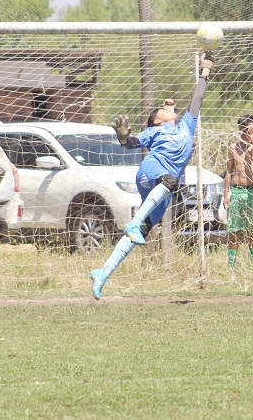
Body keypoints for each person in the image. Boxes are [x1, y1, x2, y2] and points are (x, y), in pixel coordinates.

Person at [90, 52, 215, 300]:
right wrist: (123, 135)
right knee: (167, 184)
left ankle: (102, 274)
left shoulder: (186, 124)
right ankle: (135, 222)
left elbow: (198, 97)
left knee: (142, 233)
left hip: (160, 192)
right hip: (152, 172)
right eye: (163, 108)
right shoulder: (154, 132)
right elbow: (131, 143)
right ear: (157, 120)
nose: (169, 107)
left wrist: (205, 71)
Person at [224, 115, 253, 265]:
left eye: (250, 129)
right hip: (237, 191)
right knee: (234, 229)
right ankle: (231, 262)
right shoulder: (234, 147)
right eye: (245, 129)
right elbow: (229, 171)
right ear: (240, 129)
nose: (246, 132)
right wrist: (225, 195)